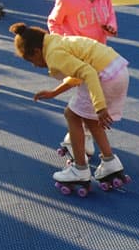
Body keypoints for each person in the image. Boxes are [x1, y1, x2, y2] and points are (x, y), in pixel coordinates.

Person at [10, 22, 131, 190]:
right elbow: (78, 74)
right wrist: (54, 92)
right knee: (89, 119)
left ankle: (80, 170)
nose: (34, 65)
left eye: (32, 60)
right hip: (117, 71)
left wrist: (100, 106)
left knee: (71, 114)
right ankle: (110, 162)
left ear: (37, 52)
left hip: (103, 77)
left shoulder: (54, 55)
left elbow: (87, 73)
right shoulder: (56, 42)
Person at [46, 0, 121, 185]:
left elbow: (109, 14)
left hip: (98, 54)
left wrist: (110, 26)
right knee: (84, 101)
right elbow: (53, 22)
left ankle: (83, 144)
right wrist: (63, 43)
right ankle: (87, 144)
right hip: (78, 56)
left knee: (85, 102)